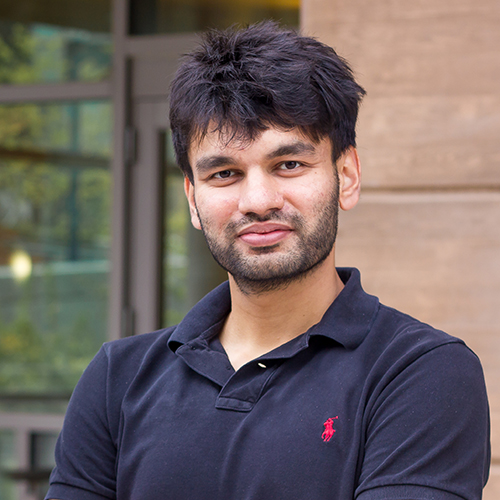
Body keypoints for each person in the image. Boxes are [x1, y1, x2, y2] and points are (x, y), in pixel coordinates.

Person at [45, 22, 490, 500]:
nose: (258, 201)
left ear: (346, 175)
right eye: (225, 173)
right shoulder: (117, 379)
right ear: (192, 199)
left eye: (289, 165)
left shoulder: (422, 373)